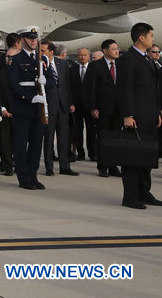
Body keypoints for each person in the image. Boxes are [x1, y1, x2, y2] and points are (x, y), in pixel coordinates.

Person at [114, 22, 162, 209]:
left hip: (149, 116)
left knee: (147, 157)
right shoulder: (128, 59)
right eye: (150, 35)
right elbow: (124, 89)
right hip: (135, 116)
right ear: (141, 37)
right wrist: (127, 114)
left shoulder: (147, 58)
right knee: (133, 157)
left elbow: (152, 90)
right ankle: (131, 196)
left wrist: (157, 111)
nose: (152, 38)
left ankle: (144, 192)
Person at [7, 27, 56, 190]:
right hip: (23, 107)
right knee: (21, 145)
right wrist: (29, 97)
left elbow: (52, 81)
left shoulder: (42, 60)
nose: (33, 40)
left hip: (39, 107)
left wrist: (45, 82)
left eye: (35, 37)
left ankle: (33, 175)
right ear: (22, 40)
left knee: (36, 143)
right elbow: (13, 85)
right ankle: (23, 177)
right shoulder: (16, 59)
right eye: (29, 38)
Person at [40, 41, 78, 176]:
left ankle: (65, 166)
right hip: (48, 106)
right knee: (49, 138)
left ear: (51, 52)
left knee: (64, 137)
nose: (41, 53)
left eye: (43, 51)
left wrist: (70, 103)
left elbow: (67, 85)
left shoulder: (62, 63)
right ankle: (49, 167)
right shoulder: (40, 64)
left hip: (63, 105)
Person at [85, 39, 121, 178]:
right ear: (105, 51)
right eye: (113, 49)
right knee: (103, 138)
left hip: (118, 109)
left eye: (117, 48)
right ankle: (103, 166)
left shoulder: (121, 64)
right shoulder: (95, 66)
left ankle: (113, 166)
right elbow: (91, 88)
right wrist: (93, 107)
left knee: (116, 138)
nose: (117, 51)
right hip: (102, 108)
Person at [0, 34, 19, 176]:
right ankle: (7, 165)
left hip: (18, 112)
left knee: (18, 141)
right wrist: (3, 109)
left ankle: (18, 164)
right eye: (7, 58)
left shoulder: (22, 73)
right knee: (5, 141)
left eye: (11, 58)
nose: (9, 60)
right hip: (4, 112)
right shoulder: (0, 74)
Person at [69, 47, 93, 162]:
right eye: (80, 55)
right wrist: (71, 103)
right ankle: (80, 152)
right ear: (77, 56)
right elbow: (69, 89)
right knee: (78, 130)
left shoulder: (94, 69)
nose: (82, 57)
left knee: (91, 130)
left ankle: (92, 152)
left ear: (89, 56)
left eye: (85, 55)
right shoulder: (72, 70)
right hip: (76, 106)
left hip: (90, 106)